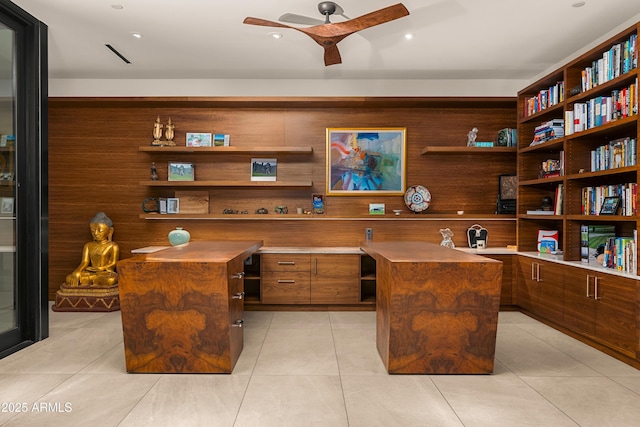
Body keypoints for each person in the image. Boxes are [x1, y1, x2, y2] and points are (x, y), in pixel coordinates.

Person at [65, 212, 119, 287]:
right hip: (90, 272)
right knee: (69, 278)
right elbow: (84, 262)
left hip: (104, 273)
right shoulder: (88, 245)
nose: (96, 233)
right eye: (93, 231)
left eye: (100, 230)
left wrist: (101, 268)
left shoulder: (113, 246)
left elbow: (113, 263)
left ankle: (91, 280)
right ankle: (94, 281)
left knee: (111, 280)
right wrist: (77, 272)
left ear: (110, 231)